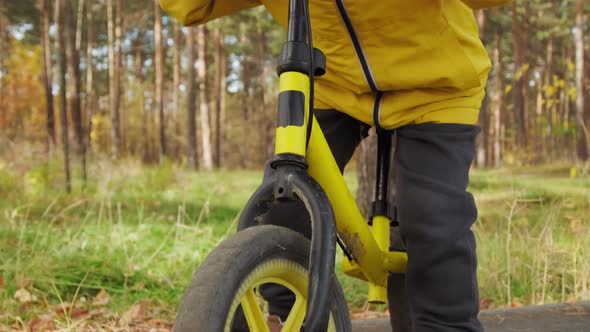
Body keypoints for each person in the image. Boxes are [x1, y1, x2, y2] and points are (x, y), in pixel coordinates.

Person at [161, 0, 511, 331]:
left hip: (436, 84)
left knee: (434, 217)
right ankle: (285, 316)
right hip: (334, 83)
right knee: (285, 207)